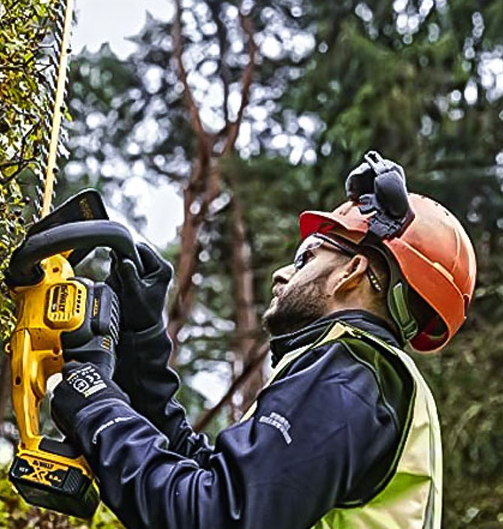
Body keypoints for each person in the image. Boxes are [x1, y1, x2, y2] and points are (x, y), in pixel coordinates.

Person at [47, 152, 476, 529]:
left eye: (306, 256)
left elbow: (215, 518)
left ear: (353, 273)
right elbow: (207, 480)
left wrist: (93, 401)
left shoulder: (350, 376)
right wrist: (140, 343)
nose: (281, 274)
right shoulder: (373, 385)